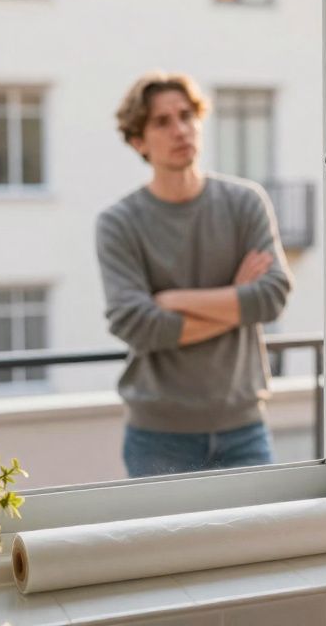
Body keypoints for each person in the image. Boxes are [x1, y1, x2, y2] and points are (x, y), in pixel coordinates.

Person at [96, 72, 293, 478]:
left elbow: (272, 295)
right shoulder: (119, 222)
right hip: (157, 435)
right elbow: (136, 324)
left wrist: (173, 300)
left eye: (187, 116)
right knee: (166, 544)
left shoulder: (245, 202)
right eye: (162, 122)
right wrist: (237, 298)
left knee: (259, 541)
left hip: (245, 426)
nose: (180, 129)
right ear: (138, 140)